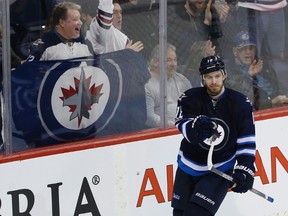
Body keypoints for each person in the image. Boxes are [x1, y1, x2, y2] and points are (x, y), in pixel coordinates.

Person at [172, 55, 256, 216]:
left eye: (217, 76)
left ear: (224, 75)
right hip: (188, 166)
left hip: (219, 170)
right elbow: (182, 123)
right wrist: (194, 127)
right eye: (209, 77)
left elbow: (247, 140)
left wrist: (245, 167)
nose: (214, 81)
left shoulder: (240, 103)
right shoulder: (189, 97)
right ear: (203, 78)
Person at [225, 31, 288, 110]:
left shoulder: (263, 65)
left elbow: (279, 85)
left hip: (278, 106)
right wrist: (271, 103)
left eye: (251, 48)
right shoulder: (228, 70)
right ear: (235, 51)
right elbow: (240, 98)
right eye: (243, 49)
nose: (248, 52)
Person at [168, 0, 229, 65]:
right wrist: (206, 24)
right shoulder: (174, 16)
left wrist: (219, 22)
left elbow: (224, 47)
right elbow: (188, 48)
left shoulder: (206, 13)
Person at [26, 1, 92, 61]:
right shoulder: (43, 45)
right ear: (62, 22)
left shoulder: (85, 42)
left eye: (79, 19)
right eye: (75, 19)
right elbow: (29, 70)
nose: (80, 23)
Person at [145, 43, 191, 127]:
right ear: (155, 62)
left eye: (175, 60)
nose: (173, 64)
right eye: (169, 60)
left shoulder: (182, 80)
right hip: (161, 135)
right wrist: (173, 126)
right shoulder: (146, 84)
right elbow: (149, 118)